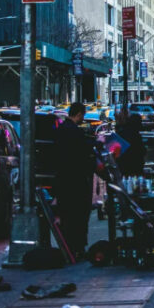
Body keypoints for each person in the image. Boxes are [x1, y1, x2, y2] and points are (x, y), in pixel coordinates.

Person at [55, 102, 97, 257]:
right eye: (82, 116)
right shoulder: (74, 132)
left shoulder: (61, 130)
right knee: (78, 215)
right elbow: (83, 152)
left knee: (67, 215)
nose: (83, 119)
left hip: (63, 180)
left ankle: (69, 248)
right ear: (79, 114)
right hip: (76, 180)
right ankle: (77, 247)